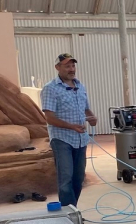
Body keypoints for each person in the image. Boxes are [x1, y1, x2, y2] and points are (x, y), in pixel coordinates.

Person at [40, 53, 97, 208]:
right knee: (66, 179)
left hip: (81, 139)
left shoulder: (80, 86)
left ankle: (72, 209)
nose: (71, 69)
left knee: (78, 178)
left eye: (73, 66)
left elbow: (86, 109)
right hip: (62, 139)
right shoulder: (50, 89)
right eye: (67, 66)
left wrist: (92, 118)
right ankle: (68, 214)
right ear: (58, 68)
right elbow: (49, 118)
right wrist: (71, 126)